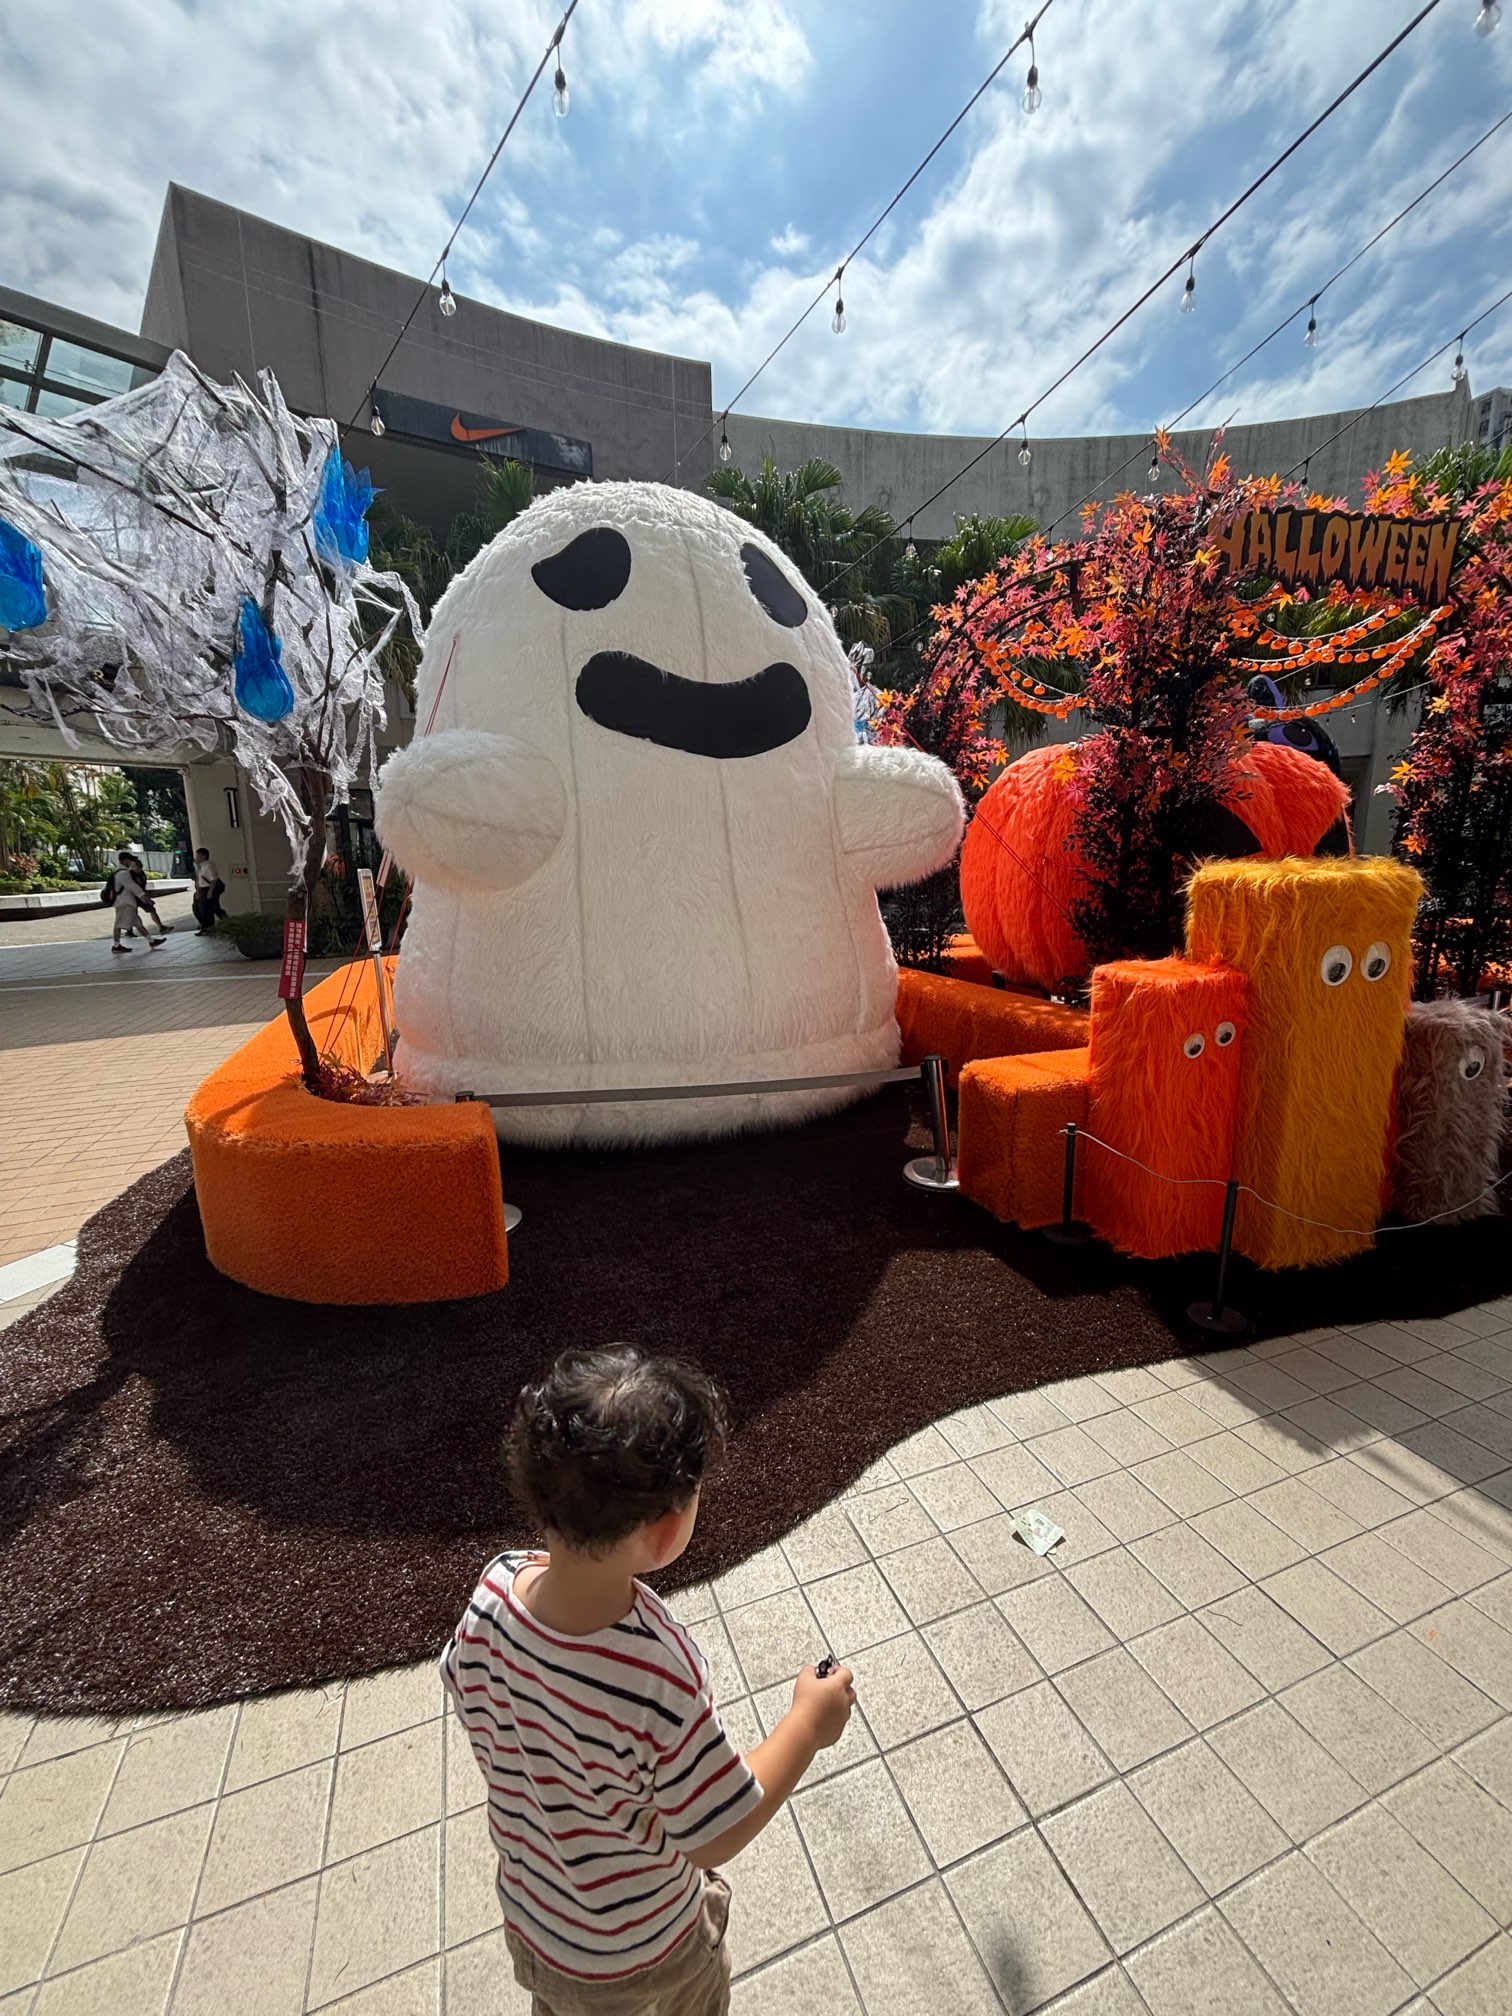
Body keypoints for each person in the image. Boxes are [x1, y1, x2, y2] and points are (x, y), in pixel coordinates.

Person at [442, 1346, 855, 2014]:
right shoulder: (656, 1668)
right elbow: (714, 1833)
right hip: (642, 1947)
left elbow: (467, 1689)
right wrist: (807, 1725)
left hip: (536, 1921)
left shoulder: (494, 1589)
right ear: (666, 1530)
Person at [108, 849, 165, 953]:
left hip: (127, 903)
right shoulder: (123, 873)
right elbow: (133, 887)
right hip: (125, 903)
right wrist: (146, 899)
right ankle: (116, 946)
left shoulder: (118, 872)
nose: (131, 862)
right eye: (130, 860)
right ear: (124, 860)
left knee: (138, 924)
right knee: (118, 925)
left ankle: (151, 941)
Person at [192, 847, 225, 933]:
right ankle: (206, 926)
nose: (196, 858)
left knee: (206, 909)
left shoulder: (208, 866)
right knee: (202, 908)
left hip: (207, 889)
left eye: (197, 856)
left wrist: (210, 892)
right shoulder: (201, 867)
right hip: (202, 890)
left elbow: (213, 880)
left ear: (203, 856)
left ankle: (208, 927)